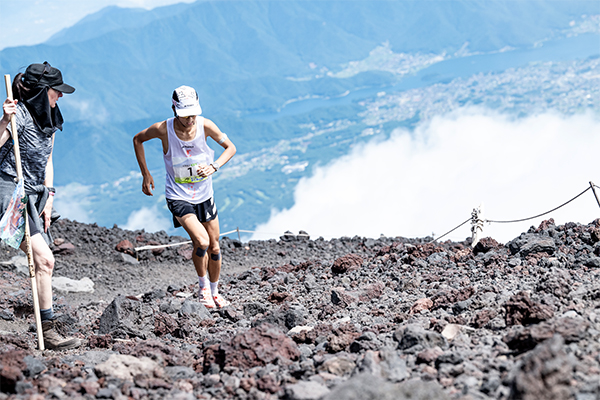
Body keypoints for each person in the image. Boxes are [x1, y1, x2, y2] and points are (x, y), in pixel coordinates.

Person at [0, 62, 82, 350]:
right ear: (41, 91)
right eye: (56, 91)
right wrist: (3, 120)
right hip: (10, 192)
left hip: (35, 196)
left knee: (43, 262)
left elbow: (48, 160)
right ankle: (47, 330)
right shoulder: (19, 115)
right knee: (45, 260)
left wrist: (49, 197)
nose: (60, 96)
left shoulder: (50, 118)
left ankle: (47, 328)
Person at [133, 86, 236, 309]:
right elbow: (137, 139)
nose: (190, 119)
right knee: (202, 241)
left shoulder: (206, 125)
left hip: (204, 195)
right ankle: (203, 290)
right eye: (184, 115)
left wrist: (214, 166)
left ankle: (215, 293)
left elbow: (230, 147)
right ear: (174, 109)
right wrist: (146, 174)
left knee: (215, 247)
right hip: (178, 196)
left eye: (193, 114)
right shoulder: (163, 129)